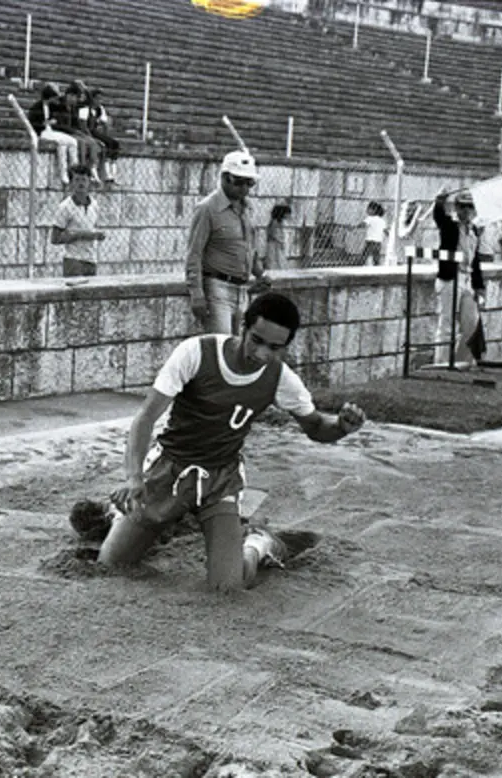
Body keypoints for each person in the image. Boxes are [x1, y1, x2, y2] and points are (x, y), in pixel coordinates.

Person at [67, 292, 367, 593]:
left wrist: (341, 426)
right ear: (242, 328)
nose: (262, 353)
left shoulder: (280, 378)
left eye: (275, 348)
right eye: (256, 340)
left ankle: (259, 543)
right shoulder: (195, 353)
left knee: (227, 585)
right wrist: (134, 477)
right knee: (112, 564)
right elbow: (145, 419)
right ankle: (119, 517)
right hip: (170, 469)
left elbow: (315, 426)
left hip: (220, 478)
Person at [186, 150, 268, 335]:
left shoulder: (248, 208)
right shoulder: (207, 209)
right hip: (217, 289)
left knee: (239, 350)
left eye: (250, 183)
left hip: (243, 290)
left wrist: (260, 273)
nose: (244, 188)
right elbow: (194, 253)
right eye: (239, 181)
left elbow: (249, 247)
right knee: (221, 348)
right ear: (224, 177)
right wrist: (197, 294)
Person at [434, 191, 485, 368]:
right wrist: (439, 201)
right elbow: (439, 217)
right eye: (462, 206)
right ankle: (441, 363)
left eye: (470, 207)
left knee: (471, 322)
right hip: (450, 277)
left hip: (467, 278)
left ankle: (462, 360)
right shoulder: (449, 225)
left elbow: (475, 259)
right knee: (447, 324)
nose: (466, 210)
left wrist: (479, 286)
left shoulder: (474, 230)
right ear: (456, 208)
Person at [51, 165, 105, 277]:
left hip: (91, 259)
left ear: (89, 182)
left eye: (84, 180)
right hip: (73, 260)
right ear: (71, 183)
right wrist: (80, 235)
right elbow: (55, 238)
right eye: (77, 180)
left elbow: (94, 228)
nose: (81, 183)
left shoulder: (94, 205)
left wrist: (98, 235)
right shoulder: (65, 207)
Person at [27, 83, 80, 186]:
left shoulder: (52, 106)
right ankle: (63, 173)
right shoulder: (36, 107)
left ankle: (75, 169)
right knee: (61, 142)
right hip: (42, 132)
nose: (56, 100)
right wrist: (44, 123)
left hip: (50, 130)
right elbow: (33, 124)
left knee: (73, 141)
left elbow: (64, 106)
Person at [83, 87, 119, 183]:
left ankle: (112, 172)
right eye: (97, 98)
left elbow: (105, 123)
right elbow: (84, 126)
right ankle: (106, 173)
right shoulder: (87, 109)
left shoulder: (100, 109)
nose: (99, 101)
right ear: (92, 99)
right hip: (89, 132)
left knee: (114, 143)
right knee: (104, 144)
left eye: (101, 99)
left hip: (95, 131)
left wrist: (105, 134)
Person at [360, 201, 387, 265]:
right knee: (376, 257)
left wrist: (356, 226)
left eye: (368, 209)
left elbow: (363, 224)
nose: (366, 210)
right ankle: (377, 268)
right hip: (378, 242)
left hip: (370, 242)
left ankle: (360, 266)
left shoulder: (370, 218)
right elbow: (385, 231)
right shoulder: (382, 220)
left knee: (364, 256)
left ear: (374, 210)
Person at [266, 204, 291, 269]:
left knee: (280, 260)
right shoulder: (274, 222)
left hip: (278, 243)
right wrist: (280, 241)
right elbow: (272, 233)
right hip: (274, 244)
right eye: (287, 214)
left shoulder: (280, 222)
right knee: (275, 260)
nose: (289, 216)